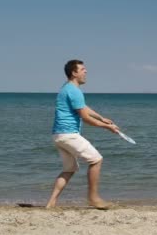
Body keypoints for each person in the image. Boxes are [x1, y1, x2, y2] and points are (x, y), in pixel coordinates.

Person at [46, 59, 119, 209]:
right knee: (96, 160)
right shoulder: (74, 90)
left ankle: (51, 203)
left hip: (58, 135)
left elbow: (83, 107)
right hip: (69, 135)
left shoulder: (66, 88)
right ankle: (93, 198)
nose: (86, 72)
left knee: (69, 169)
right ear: (74, 73)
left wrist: (101, 117)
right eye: (82, 69)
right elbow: (85, 117)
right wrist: (107, 127)